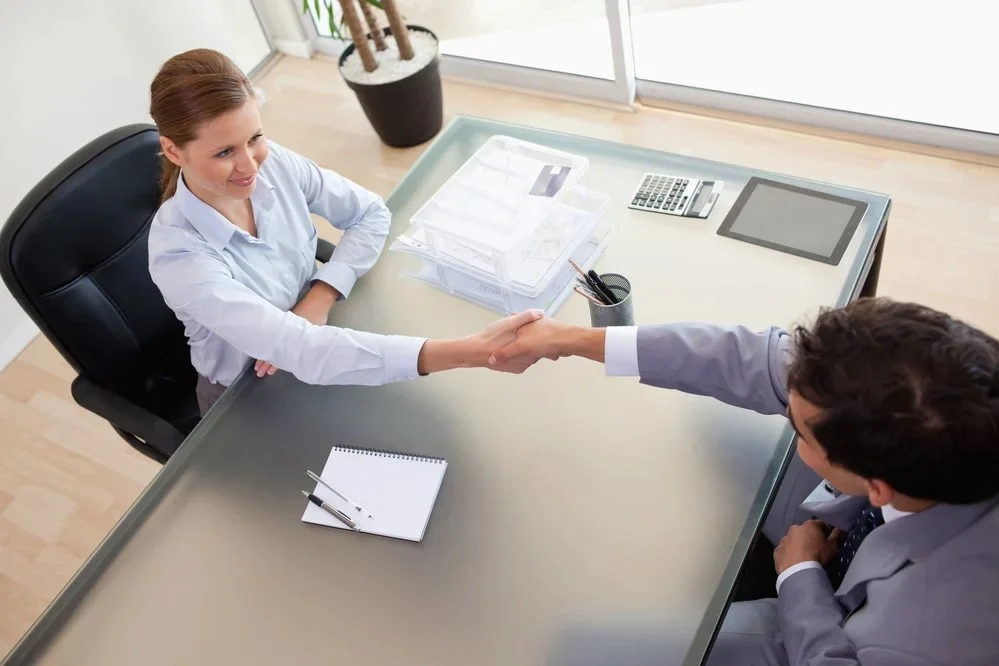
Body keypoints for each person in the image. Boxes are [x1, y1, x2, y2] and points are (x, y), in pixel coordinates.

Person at [489, 297, 999, 665]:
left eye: (799, 429)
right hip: (855, 531)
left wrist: (799, 579)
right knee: (714, 425)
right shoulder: (931, 393)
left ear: (878, 487)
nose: (786, 414)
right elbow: (751, 360)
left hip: (830, 628)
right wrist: (573, 339)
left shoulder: (926, 637)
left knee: (588, 649)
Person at [146, 49, 540, 415]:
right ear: (175, 152)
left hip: (321, 334)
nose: (250, 165)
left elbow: (370, 212)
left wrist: (322, 293)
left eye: (254, 138)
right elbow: (299, 348)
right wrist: (469, 351)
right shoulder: (178, 254)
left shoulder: (274, 163)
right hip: (249, 391)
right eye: (224, 152)